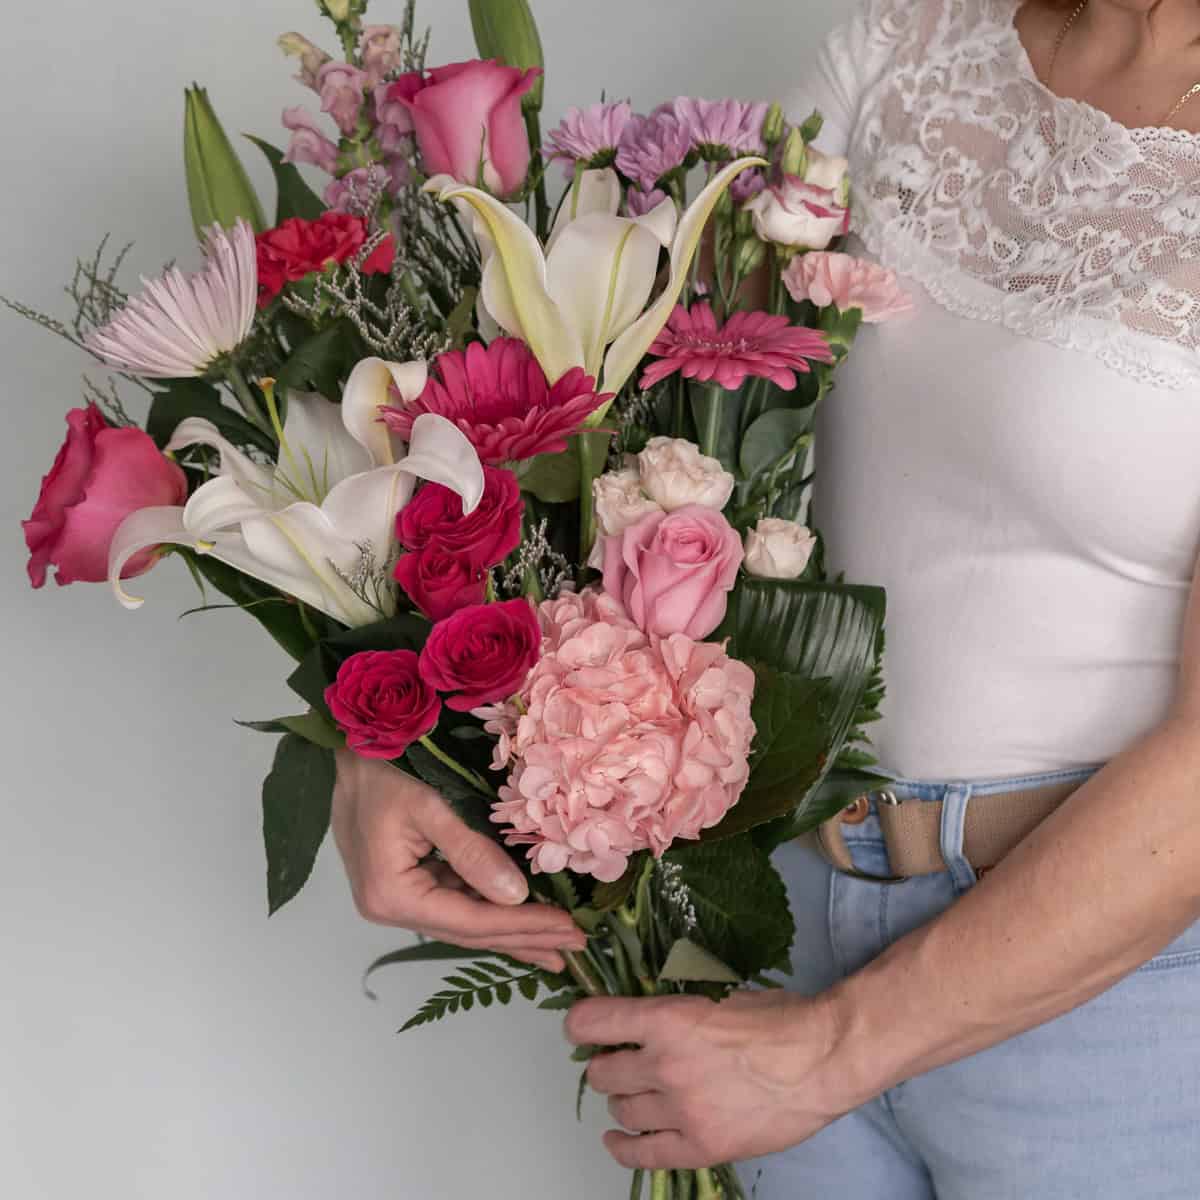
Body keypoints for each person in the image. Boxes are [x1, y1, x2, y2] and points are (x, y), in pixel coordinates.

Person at [331, 0, 1200, 1192]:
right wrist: (392, 733)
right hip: (771, 911)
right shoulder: (908, 48)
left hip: (1117, 991)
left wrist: (835, 1052)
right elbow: (631, 427)